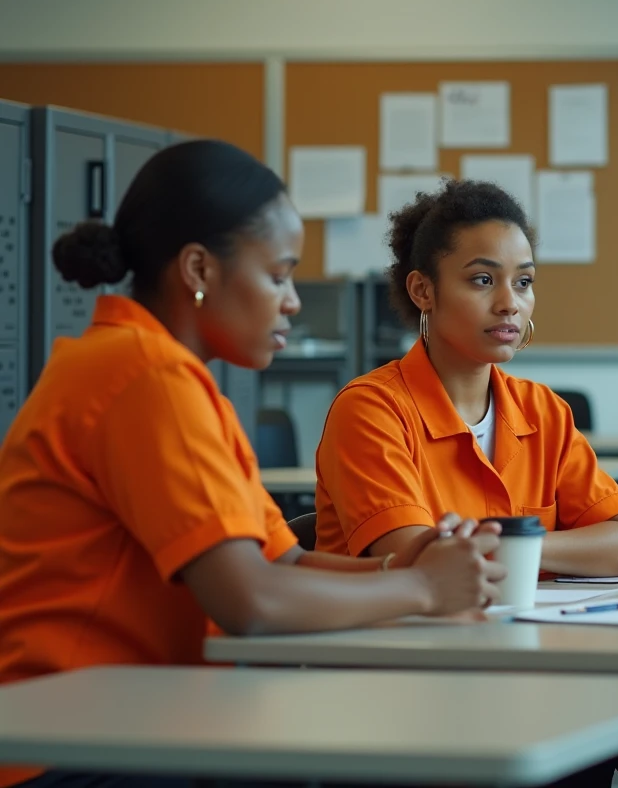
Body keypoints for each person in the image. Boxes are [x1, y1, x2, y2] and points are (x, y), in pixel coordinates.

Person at [0, 141, 505, 788]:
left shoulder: (163, 374)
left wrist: (410, 564)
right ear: (198, 269)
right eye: (278, 276)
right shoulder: (146, 376)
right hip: (69, 750)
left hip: (127, 724)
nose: (292, 301)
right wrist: (426, 591)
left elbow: (281, 563)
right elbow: (251, 601)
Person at [313, 179, 618, 579]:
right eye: (483, 280)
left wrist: (511, 545)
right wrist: (540, 547)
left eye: (523, 282)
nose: (510, 304)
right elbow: (419, 561)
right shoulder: (371, 410)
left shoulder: (544, 412)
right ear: (423, 290)